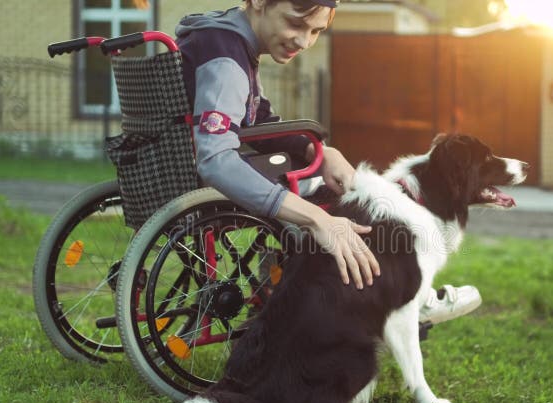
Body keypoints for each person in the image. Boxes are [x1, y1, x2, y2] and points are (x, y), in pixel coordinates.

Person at [175, 0, 481, 324]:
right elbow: (216, 159)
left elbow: (256, 120)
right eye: (295, 23)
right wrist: (316, 220)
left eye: (316, 31)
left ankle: (285, 286)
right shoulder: (225, 56)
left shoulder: (222, 38)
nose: (304, 41)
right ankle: (406, 301)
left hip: (194, 179)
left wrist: (318, 152)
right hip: (214, 186)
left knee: (337, 179)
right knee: (358, 199)